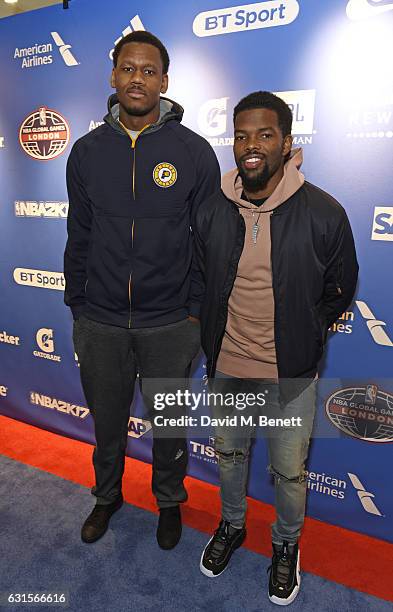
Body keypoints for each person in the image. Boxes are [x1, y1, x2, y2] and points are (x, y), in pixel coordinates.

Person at [193, 91, 358, 604]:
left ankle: (286, 546)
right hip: (228, 368)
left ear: (287, 143)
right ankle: (234, 525)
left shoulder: (325, 212)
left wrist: (305, 330)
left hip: (290, 377)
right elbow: (201, 278)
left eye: (265, 135)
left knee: (288, 473)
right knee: (230, 457)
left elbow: (340, 287)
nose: (251, 146)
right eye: (242, 135)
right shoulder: (213, 206)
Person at [64, 31, 220, 550]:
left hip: (171, 324)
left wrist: (195, 311)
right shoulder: (86, 152)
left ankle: (169, 501)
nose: (137, 78)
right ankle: (106, 496)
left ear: (164, 82)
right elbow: (79, 232)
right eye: (128, 68)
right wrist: (78, 304)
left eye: (148, 71)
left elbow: (207, 241)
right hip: (101, 320)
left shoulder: (193, 152)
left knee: (169, 425)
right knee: (107, 423)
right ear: (113, 76)